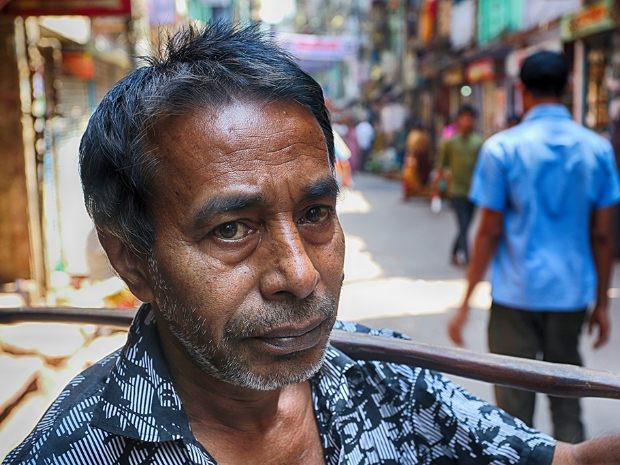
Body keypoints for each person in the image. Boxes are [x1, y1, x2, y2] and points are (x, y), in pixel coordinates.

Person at [5, 24, 620, 465]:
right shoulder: (75, 450)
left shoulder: (385, 375)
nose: (301, 277)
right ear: (132, 262)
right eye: (231, 229)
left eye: (316, 213)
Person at [448, 51, 620, 444]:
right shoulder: (598, 150)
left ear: (521, 91)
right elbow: (604, 235)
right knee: (568, 401)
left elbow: (488, 233)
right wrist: (603, 303)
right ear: (568, 86)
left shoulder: (501, 149)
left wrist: (466, 300)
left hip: (515, 297)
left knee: (512, 412)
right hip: (570, 297)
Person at [435, 104, 484, 267]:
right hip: (456, 190)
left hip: (474, 191)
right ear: (458, 120)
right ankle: (470, 259)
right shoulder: (450, 143)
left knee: (466, 225)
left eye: (470, 117)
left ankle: (454, 252)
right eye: (464, 117)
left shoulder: (479, 143)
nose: (467, 121)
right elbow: (442, 167)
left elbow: (484, 169)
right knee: (463, 223)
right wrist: (438, 189)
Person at [401, 121, 430, 200]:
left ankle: (413, 192)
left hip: (414, 158)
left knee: (410, 176)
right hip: (422, 158)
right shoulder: (425, 135)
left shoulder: (414, 135)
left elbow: (411, 148)